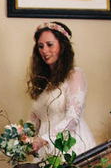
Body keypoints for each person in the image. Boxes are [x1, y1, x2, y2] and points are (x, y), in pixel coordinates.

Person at [24, 21, 97, 158]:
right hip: (46, 151)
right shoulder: (44, 82)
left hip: (70, 146)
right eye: (40, 46)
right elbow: (34, 119)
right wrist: (19, 137)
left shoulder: (74, 75)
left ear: (62, 46)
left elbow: (72, 118)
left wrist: (44, 139)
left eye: (49, 44)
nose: (44, 50)